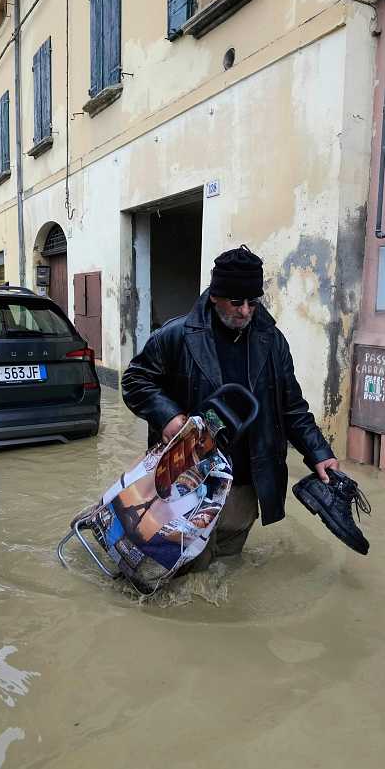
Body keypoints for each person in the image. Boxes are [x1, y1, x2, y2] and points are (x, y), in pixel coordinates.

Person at [122, 246, 340, 573]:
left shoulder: (273, 342)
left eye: (253, 302)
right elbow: (135, 381)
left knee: (225, 568)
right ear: (215, 296)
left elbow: (292, 407)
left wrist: (320, 453)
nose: (245, 311)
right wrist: (170, 417)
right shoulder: (175, 336)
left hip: (244, 484)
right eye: (236, 302)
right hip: (186, 482)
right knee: (179, 572)